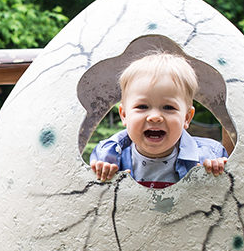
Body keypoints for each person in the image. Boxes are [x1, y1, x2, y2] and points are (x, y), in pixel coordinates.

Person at [89, 52, 228, 188]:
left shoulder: (208, 154)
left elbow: (229, 188)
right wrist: (101, 171)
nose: (155, 117)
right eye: (142, 106)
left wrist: (218, 170)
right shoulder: (108, 154)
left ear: (187, 117)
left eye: (168, 107)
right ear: (124, 115)